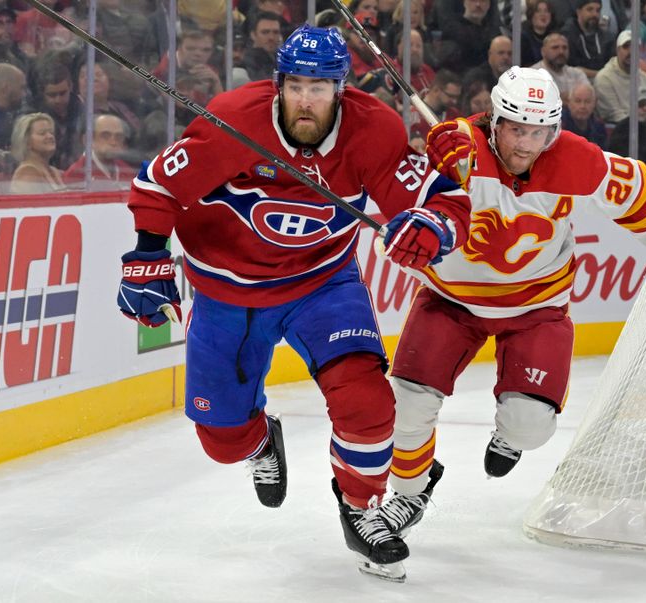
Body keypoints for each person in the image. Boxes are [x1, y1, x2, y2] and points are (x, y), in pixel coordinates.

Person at [116, 25, 470, 581]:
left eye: (321, 86)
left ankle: (361, 508)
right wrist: (145, 256)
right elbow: (159, 186)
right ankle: (258, 440)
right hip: (224, 291)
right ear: (279, 83)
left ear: (342, 89)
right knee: (223, 444)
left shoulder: (372, 129)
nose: (307, 99)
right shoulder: (233, 116)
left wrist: (432, 226)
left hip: (321, 284)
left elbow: (442, 199)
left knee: (368, 402)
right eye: (297, 84)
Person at [377, 66, 646, 540]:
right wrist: (422, 194)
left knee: (531, 428)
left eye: (539, 131)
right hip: (450, 301)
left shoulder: (577, 161)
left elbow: (641, 191)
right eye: (516, 129)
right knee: (403, 408)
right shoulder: (458, 151)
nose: (526, 144)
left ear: (554, 129)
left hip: (536, 310)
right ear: (495, 122)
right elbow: (401, 187)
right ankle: (409, 493)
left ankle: (512, 435)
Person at [63, 113, 137, 190]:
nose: (113, 142)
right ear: (88, 140)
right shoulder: (76, 173)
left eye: (118, 137)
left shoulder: (126, 170)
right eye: (105, 136)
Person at [593, 30, 646, 124]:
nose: (630, 52)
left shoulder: (644, 77)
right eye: (626, 47)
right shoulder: (604, 78)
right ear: (617, 50)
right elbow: (614, 114)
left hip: (643, 126)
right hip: (617, 129)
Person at [9, 111, 65, 194]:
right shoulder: (27, 173)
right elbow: (30, 205)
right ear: (27, 141)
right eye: (42, 133)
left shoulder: (54, 171)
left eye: (51, 132)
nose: (50, 136)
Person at [561, 82, 607, 148]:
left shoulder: (599, 126)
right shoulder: (560, 124)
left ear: (595, 103)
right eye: (577, 101)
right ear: (569, 102)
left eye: (588, 101)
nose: (582, 106)